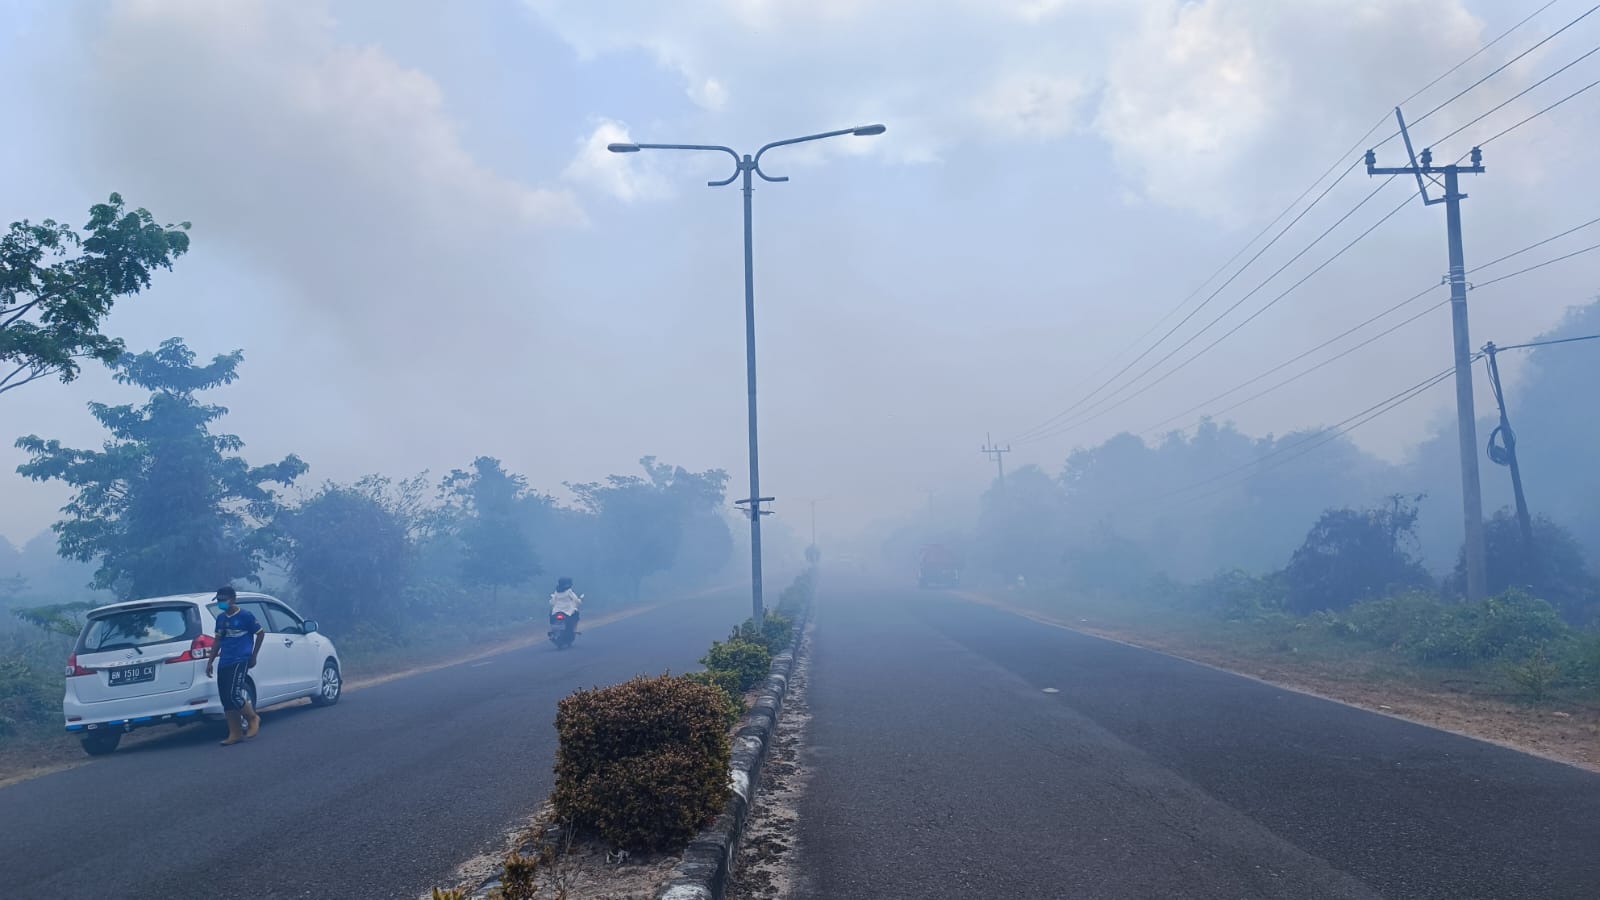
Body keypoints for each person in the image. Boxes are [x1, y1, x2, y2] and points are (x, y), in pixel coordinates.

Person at [206, 586, 265, 746]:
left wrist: (254, 656)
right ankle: (235, 733)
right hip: (225, 660)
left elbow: (260, 633)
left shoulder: (246, 616)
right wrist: (210, 661)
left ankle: (252, 717)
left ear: (232, 599)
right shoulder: (221, 619)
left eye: (223, 600)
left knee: (234, 694)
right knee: (225, 698)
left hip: (241, 659)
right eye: (218, 600)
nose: (220, 603)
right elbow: (217, 641)